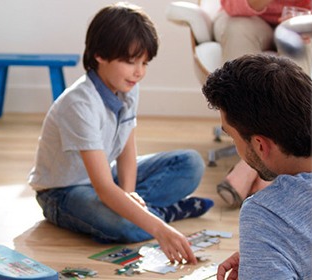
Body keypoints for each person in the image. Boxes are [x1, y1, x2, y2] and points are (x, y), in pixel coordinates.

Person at [28, 2, 214, 265]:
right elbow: (104, 188)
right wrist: (159, 229)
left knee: (191, 163)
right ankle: (164, 213)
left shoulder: (128, 86)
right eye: (130, 62)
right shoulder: (79, 103)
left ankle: (146, 213)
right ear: (99, 55)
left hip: (105, 175)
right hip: (62, 192)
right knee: (126, 226)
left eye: (144, 62)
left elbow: (127, 148)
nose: (139, 72)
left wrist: (128, 193)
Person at [201, 54, 312, 279]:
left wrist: (264, 247)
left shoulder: (265, 214)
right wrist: (265, 256)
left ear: (260, 145)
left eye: (232, 137)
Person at [212, 0, 312, 208]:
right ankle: (265, 166)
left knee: (297, 41)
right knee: (238, 28)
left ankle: (253, 166)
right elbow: (234, 6)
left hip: (299, 20)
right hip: (246, 18)